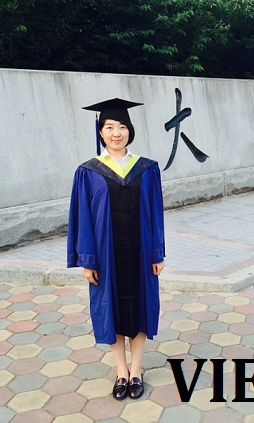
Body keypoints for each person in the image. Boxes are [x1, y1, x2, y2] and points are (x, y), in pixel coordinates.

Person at [67, 98, 165, 400]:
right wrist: (87, 260)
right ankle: (121, 372)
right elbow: (83, 218)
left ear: (130, 130)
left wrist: (157, 253)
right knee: (113, 311)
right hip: (106, 257)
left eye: (122, 126)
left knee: (140, 310)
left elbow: (156, 214)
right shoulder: (88, 171)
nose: (116, 133)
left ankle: (136, 371)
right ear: (101, 132)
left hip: (140, 254)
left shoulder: (147, 169)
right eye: (109, 127)